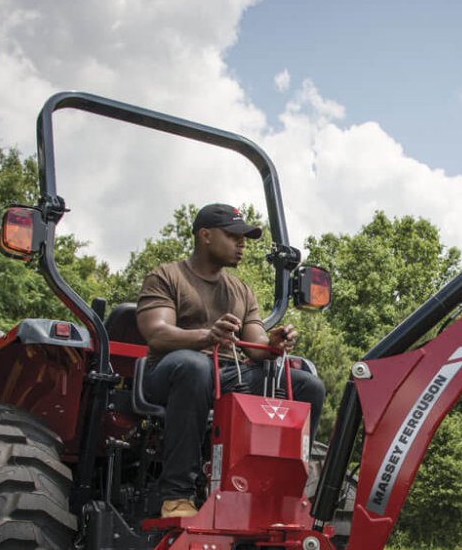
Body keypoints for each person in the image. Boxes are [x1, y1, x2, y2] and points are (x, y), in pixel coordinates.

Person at [136, 203, 326, 519]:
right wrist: (207, 336)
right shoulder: (166, 276)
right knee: (194, 367)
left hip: (225, 374)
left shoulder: (240, 290)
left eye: (245, 238)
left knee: (308, 386)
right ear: (205, 236)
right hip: (169, 372)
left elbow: (256, 348)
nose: (242, 244)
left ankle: (287, 493)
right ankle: (177, 495)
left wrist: (274, 343)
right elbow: (157, 334)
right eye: (233, 236)